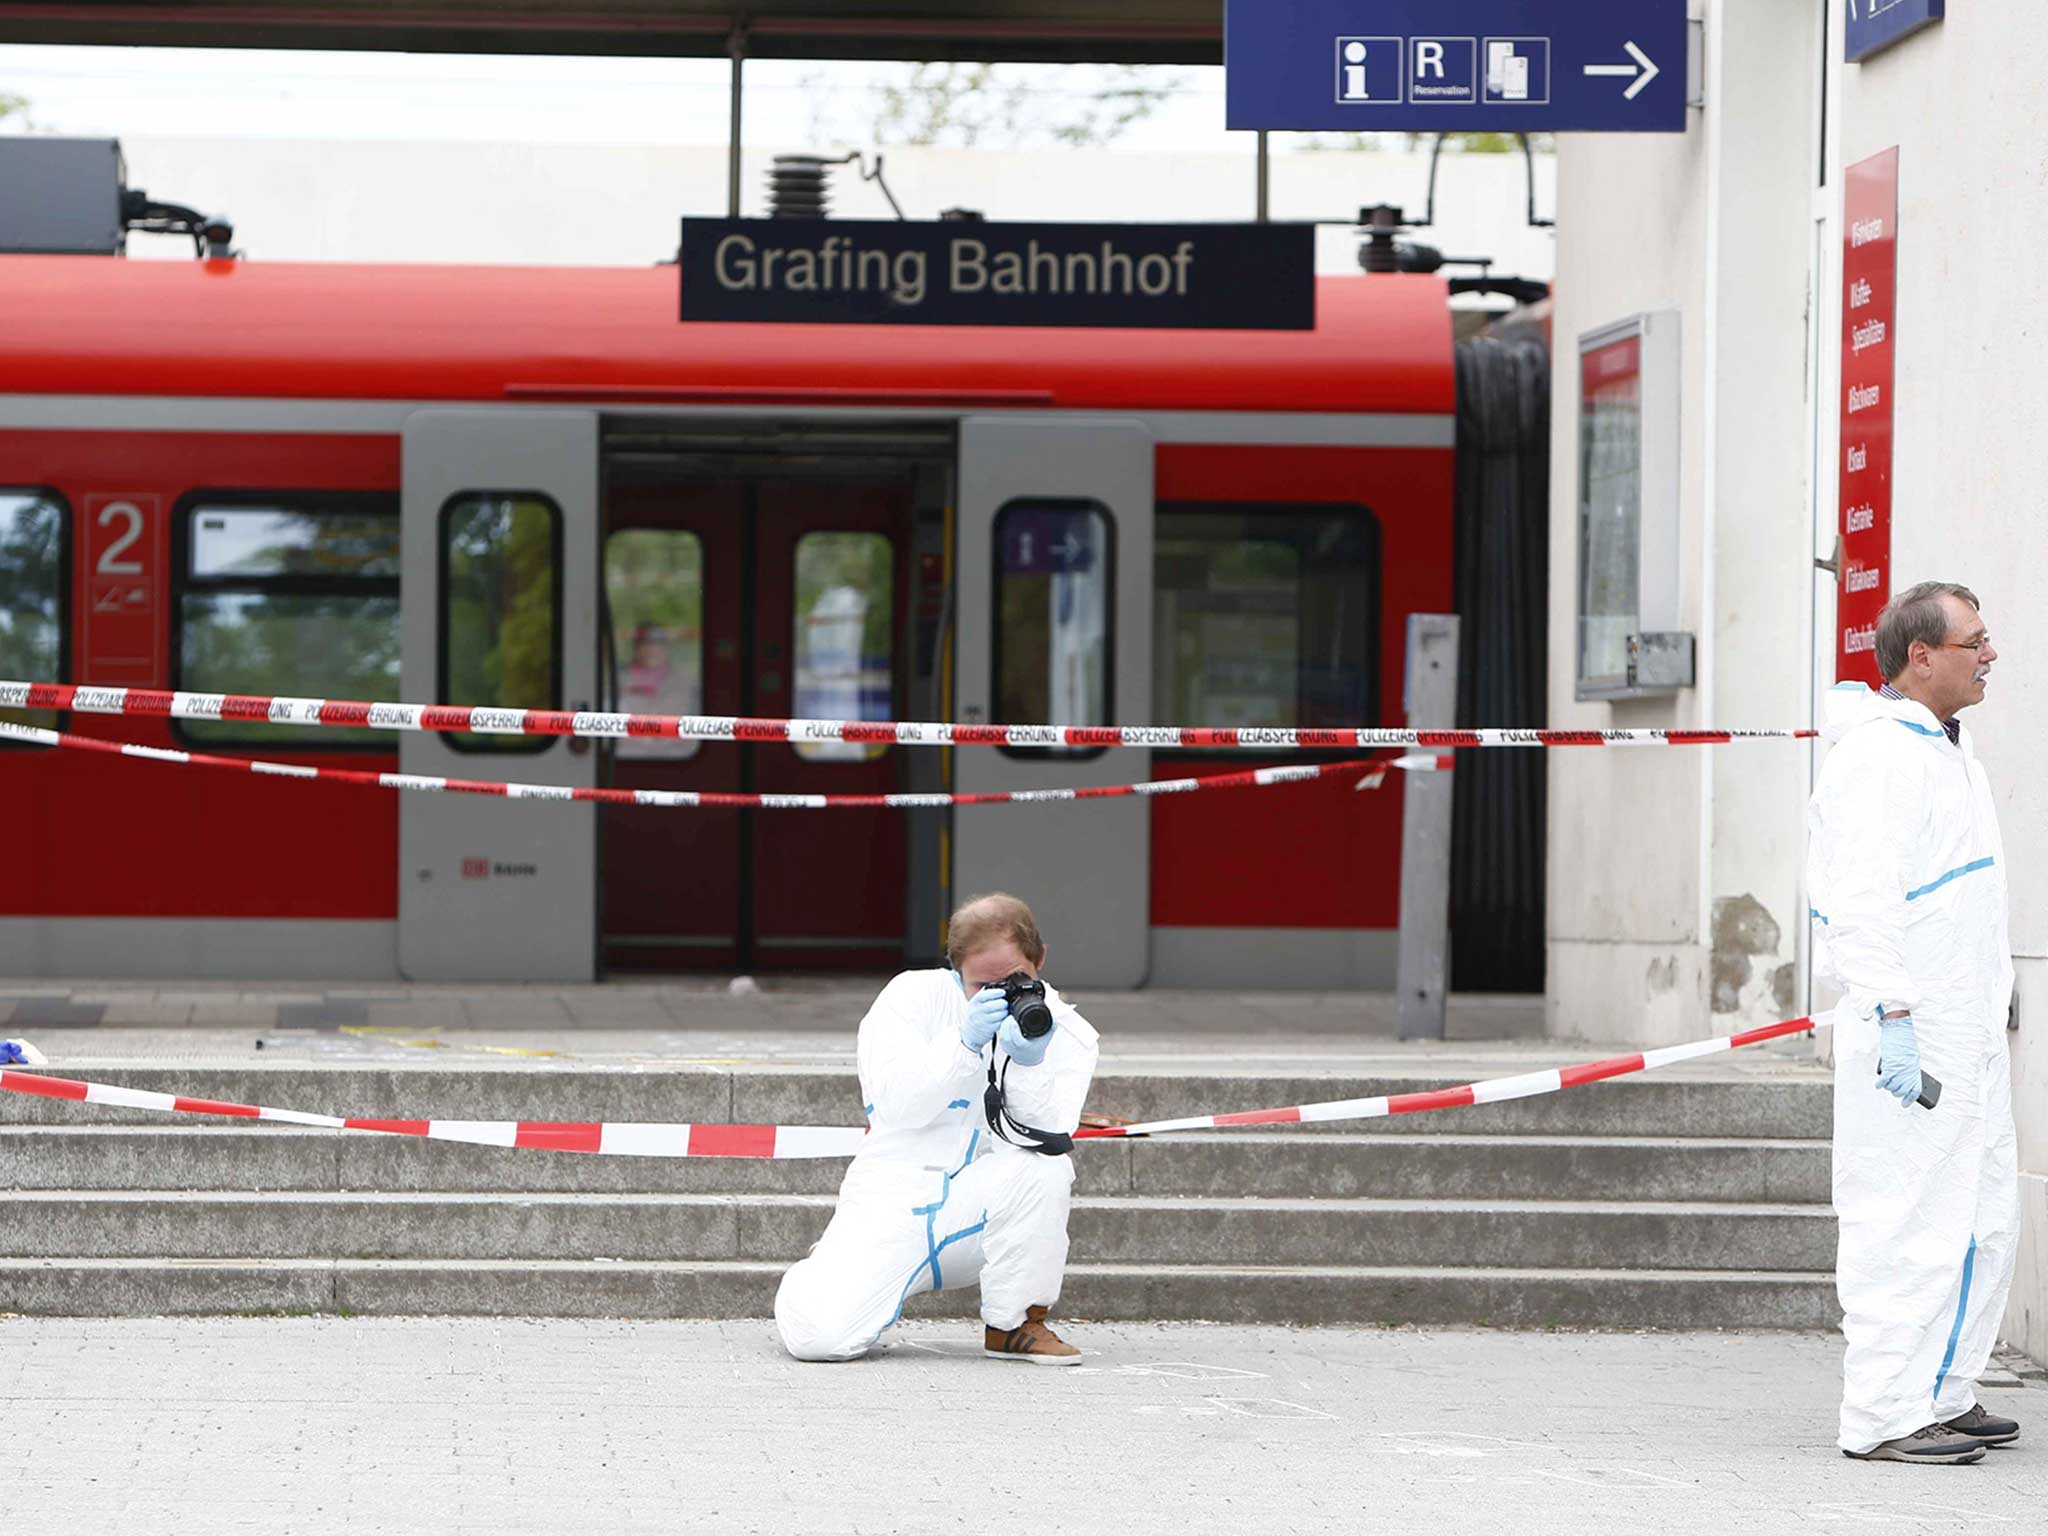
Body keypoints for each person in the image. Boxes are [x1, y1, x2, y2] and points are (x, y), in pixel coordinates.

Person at [1808, 581, 2020, 1464]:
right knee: (1905, 1220)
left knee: (1982, 1216)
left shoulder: (1944, 750)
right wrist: (1894, 1015)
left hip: (1961, 1029)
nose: (1991, 653)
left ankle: (1944, 1388)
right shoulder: (1881, 759)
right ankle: (1886, 1415)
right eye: (1975, 640)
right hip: (1915, 1032)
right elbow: (1859, 901)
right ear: (1920, 656)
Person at [774, 892, 1100, 1365]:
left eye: (1016, 980)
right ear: (954, 968)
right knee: (821, 1339)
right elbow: (895, 1106)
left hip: (980, 1210)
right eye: (982, 986)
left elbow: (1045, 1135)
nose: (1002, 996)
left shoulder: (1062, 1029)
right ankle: (816, 1275)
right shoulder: (910, 997)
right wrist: (963, 1044)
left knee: (1045, 1172)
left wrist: (1029, 1061)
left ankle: (1014, 1323)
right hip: (893, 1201)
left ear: (1041, 959)